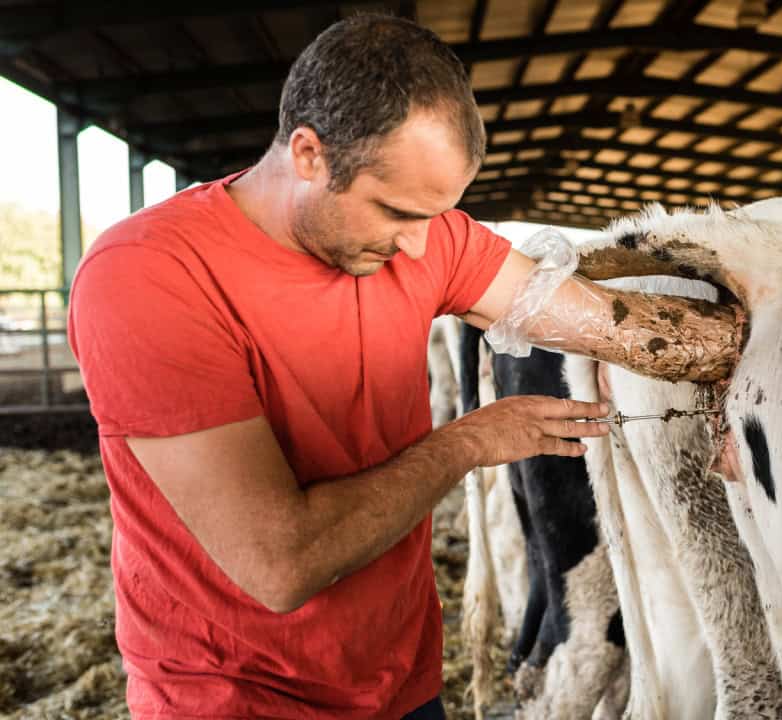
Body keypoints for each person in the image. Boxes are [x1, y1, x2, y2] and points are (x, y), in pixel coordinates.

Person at [66, 15, 739, 720]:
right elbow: (280, 564)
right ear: (308, 154)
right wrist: (468, 443)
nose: (421, 247)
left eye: (437, 214)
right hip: (237, 697)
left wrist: (739, 341)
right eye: (395, 210)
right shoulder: (149, 277)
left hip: (400, 679)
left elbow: (605, 324)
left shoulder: (426, 240)